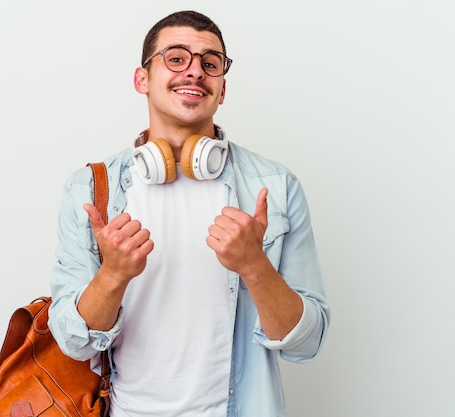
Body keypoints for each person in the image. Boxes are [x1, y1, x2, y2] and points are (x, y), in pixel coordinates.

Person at [48, 10, 330, 417]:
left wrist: (255, 266)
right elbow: (73, 344)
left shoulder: (275, 187)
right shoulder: (91, 190)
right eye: (176, 58)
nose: (195, 71)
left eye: (210, 63)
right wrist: (112, 275)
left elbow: (306, 344)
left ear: (222, 87)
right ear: (141, 79)